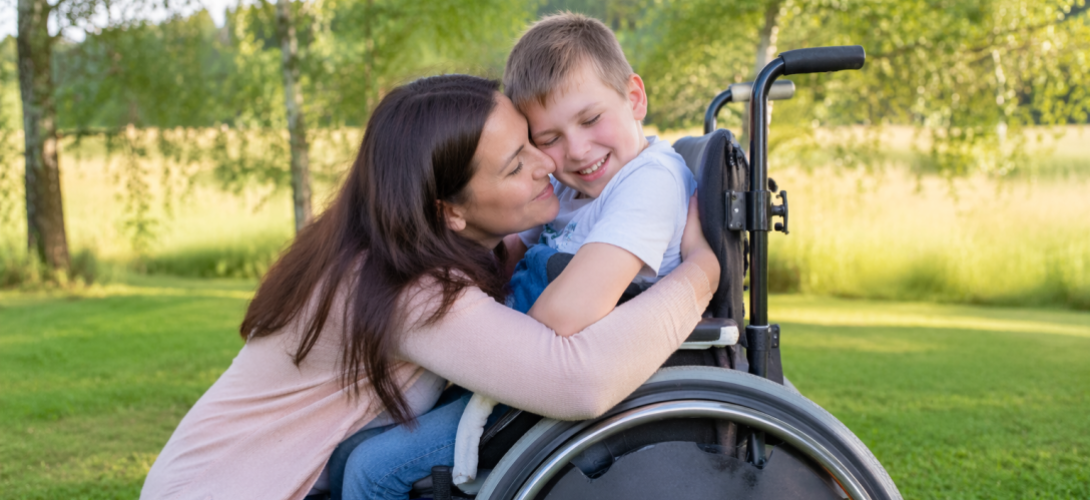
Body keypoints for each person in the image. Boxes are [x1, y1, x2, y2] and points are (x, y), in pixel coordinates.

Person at [139, 74, 719, 500]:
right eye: (515, 164)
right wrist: (702, 272)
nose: (547, 164)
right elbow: (579, 383)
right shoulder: (404, 287)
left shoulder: (415, 246)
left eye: (529, 142)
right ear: (451, 213)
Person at [341, 13, 699, 499]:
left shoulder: (648, 182)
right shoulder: (579, 190)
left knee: (372, 470)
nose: (575, 151)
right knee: (359, 437)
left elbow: (567, 315)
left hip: (558, 387)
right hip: (522, 377)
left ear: (634, 97)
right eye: (547, 139)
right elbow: (506, 251)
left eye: (591, 119)